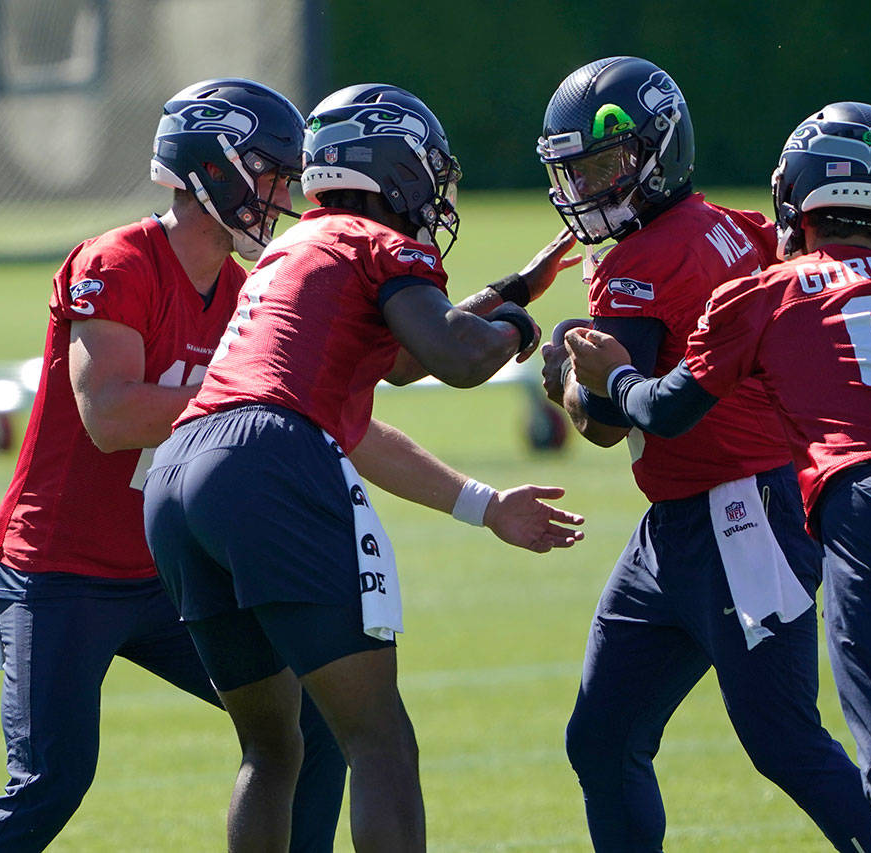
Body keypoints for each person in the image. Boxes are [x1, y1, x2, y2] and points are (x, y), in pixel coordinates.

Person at [567, 101, 871, 853]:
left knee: (861, 745)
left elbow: (651, 411)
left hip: (777, 507)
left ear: (798, 197)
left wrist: (603, 379)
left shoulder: (758, 287)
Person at [141, 82, 585, 852]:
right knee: (380, 739)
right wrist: (521, 324)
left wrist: (504, 293)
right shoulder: (379, 243)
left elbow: (406, 358)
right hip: (269, 461)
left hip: (180, 471)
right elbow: (451, 355)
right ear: (395, 168)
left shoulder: (298, 245)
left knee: (272, 747)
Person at [0, 79, 348, 852]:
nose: (281, 195)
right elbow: (109, 416)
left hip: (168, 570)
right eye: (269, 173)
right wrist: (246, 386)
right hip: (58, 570)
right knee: (50, 780)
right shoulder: (116, 261)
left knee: (317, 724)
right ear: (211, 171)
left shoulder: (243, 288)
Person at [536, 57, 871, 852]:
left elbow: (607, 421)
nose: (586, 188)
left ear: (657, 151)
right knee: (603, 736)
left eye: (603, 167)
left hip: (738, 517)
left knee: (785, 741)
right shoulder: (740, 225)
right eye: (577, 171)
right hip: (691, 521)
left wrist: (563, 383)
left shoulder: (640, 260)